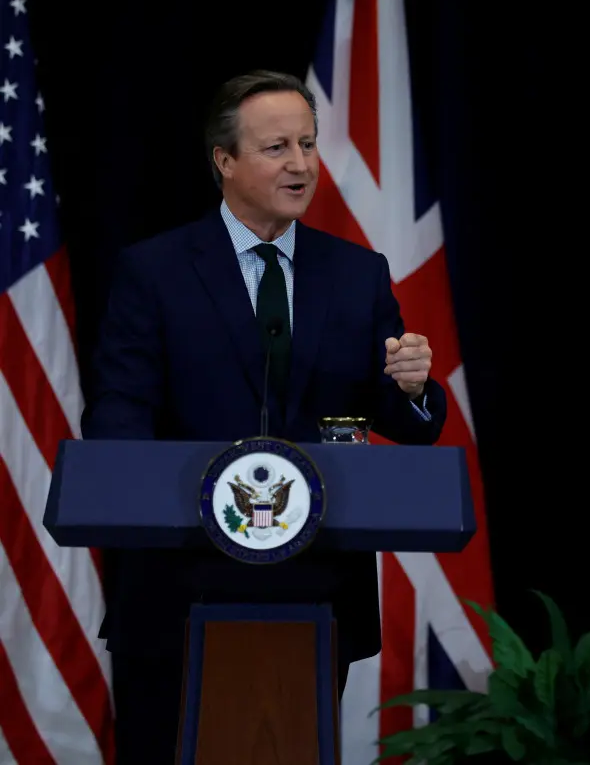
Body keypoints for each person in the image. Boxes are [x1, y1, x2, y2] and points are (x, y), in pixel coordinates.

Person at [81, 70, 447, 761]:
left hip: (314, 588)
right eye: (278, 146)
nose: (301, 164)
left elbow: (408, 421)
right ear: (225, 160)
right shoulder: (153, 272)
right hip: (178, 588)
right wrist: (137, 482)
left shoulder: (355, 273)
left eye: (307, 144)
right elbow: (119, 416)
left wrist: (412, 385)